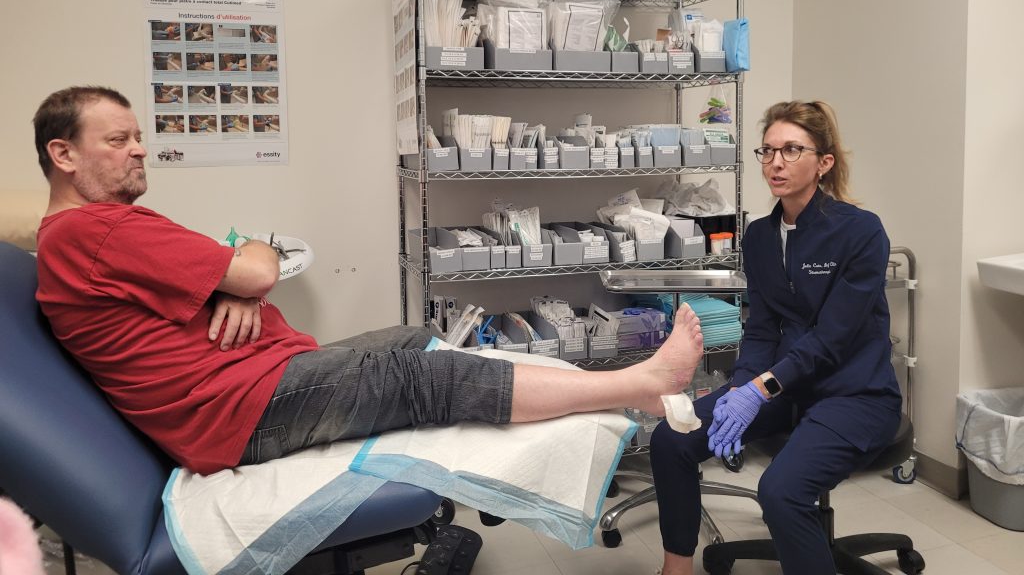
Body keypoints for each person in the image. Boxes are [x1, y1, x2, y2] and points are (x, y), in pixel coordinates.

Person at [32, 86, 706, 476]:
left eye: (137, 136)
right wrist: (243, 271)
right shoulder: (96, 230)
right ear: (62, 155)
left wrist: (228, 283)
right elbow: (256, 265)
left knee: (413, 337)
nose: (140, 149)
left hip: (249, 384)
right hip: (236, 410)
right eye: (116, 141)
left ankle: (520, 396)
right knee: (418, 377)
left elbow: (229, 274)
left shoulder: (88, 239)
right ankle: (637, 384)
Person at [649, 101, 902, 575]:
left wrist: (758, 390)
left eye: (791, 150)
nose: (776, 163)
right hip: (784, 385)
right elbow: (762, 327)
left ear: (823, 162)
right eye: (767, 151)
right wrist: (744, 385)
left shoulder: (861, 232)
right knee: (671, 439)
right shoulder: (761, 236)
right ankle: (675, 568)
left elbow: (831, 339)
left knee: (780, 491)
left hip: (855, 394)